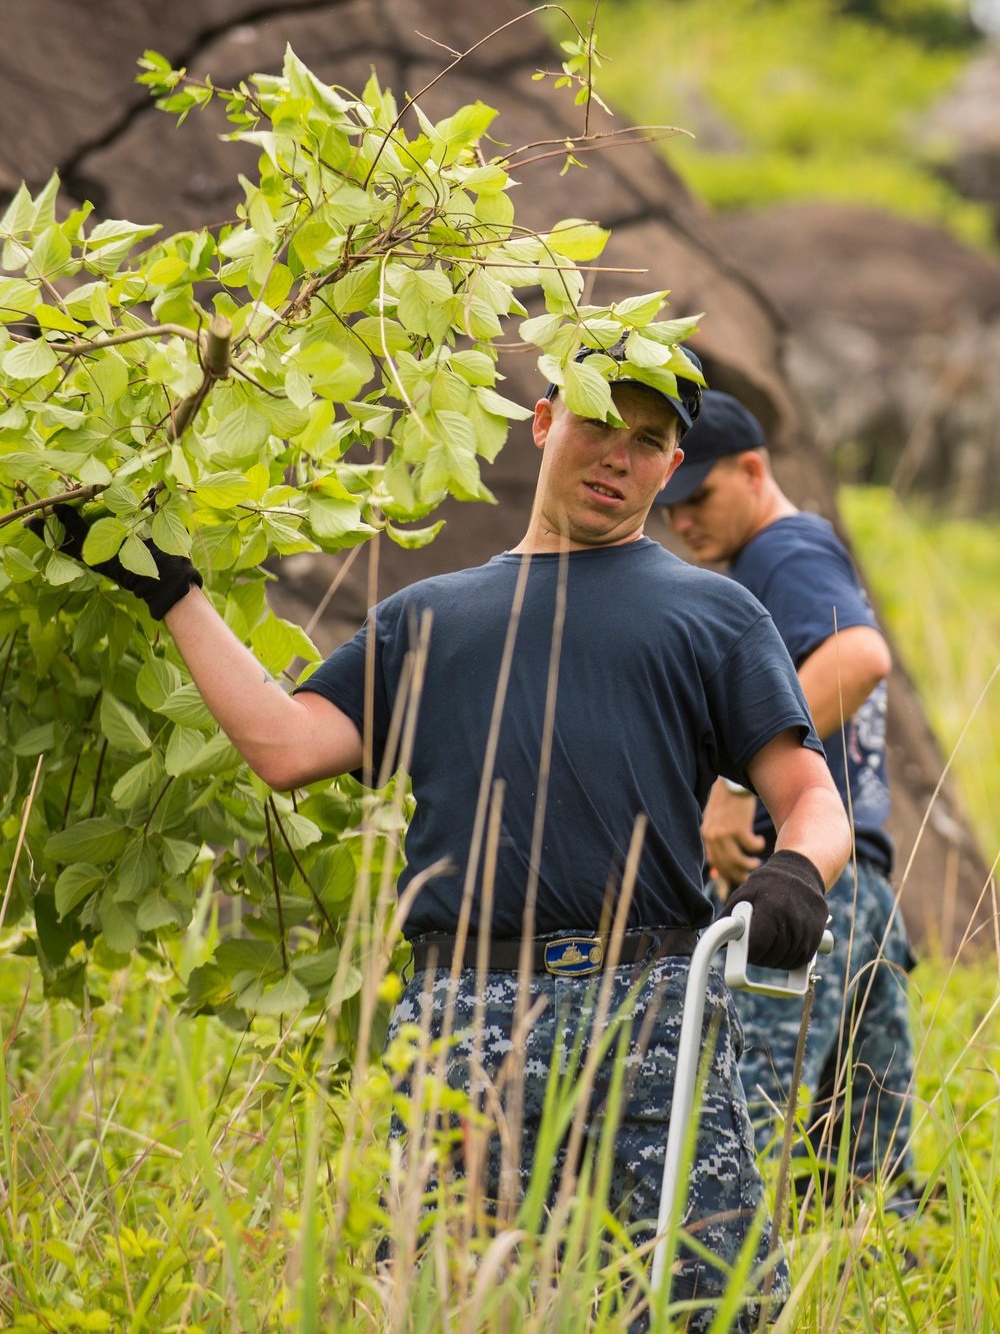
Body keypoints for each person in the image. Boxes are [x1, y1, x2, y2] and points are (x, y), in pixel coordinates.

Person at [32, 351, 851, 1330]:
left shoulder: (714, 613)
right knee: (451, 1305)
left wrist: (798, 872)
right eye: (600, 423)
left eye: (647, 443)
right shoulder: (429, 618)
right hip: (467, 1014)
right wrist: (168, 590)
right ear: (544, 422)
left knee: (712, 1308)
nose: (617, 457)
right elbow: (287, 745)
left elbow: (810, 795)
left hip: (656, 1014)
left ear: (671, 469)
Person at [659, 389, 916, 1203]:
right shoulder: (791, 555)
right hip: (860, 885)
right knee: (864, 1172)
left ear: (753, 469)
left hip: (795, 888)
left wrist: (736, 782)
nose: (682, 521)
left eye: (699, 496)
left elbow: (861, 655)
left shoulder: (784, 551)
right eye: (670, 504)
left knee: (740, 1126)